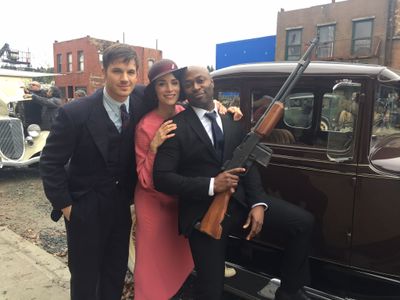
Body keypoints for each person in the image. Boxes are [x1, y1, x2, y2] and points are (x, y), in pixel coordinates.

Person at [153, 66, 314, 300]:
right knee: (210, 290)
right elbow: (162, 178)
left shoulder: (231, 120)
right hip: (203, 214)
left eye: (201, 80)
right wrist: (211, 185)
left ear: (211, 83)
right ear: (184, 90)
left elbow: (247, 166)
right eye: (189, 84)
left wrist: (259, 203)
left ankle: (289, 291)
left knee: (303, 223)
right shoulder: (176, 126)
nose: (196, 87)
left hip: (239, 204)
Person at [39, 44, 150, 300]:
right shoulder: (74, 113)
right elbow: (50, 162)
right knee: (85, 278)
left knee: (114, 273)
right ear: (104, 71)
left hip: (121, 208)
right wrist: (66, 206)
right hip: (84, 207)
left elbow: (175, 95)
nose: (125, 79)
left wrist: (215, 106)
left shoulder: (142, 99)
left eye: (131, 72)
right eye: (117, 71)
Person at [133, 59, 242, 299]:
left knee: (183, 261)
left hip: (182, 199)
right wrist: (153, 147)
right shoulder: (146, 125)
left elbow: (206, 126)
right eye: (162, 84)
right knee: (153, 266)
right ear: (154, 90)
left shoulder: (184, 113)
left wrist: (225, 111)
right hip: (155, 204)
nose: (170, 89)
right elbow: (145, 180)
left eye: (174, 82)